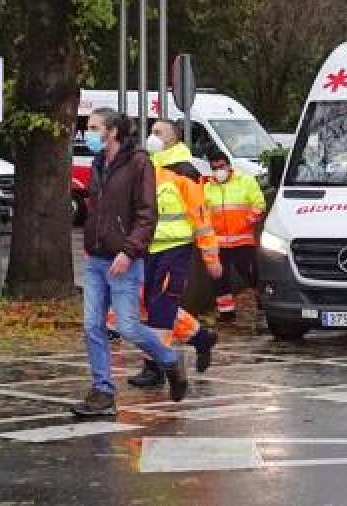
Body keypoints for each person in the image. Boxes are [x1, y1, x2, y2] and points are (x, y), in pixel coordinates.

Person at [76, 108, 188, 416]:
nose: (87, 133)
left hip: (125, 259)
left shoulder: (139, 163)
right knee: (92, 326)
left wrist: (128, 251)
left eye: (93, 127)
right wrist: (91, 241)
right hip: (97, 259)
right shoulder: (99, 162)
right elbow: (97, 209)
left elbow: (146, 214)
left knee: (126, 325)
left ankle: (169, 359)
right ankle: (102, 391)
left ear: (111, 131)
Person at [128, 119, 221, 389]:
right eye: (151, 132)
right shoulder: (148, 167)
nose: (151, 137)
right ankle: (201, 337)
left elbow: (200, 217)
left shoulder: (185, 172)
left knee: (161, 308)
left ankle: (155, 365)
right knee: (152, 305)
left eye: (158, 132)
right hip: (148, 249)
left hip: (175, 249)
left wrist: (211, 258)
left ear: (174, 139)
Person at [202, 149, 266, 322]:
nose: (218, 171)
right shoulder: (207, 188)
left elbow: (259, 204)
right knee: (219, 279)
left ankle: (264, 303)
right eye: (214, 168)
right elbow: (203, 215)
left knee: (251, 275)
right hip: (219, 243)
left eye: (221, 166)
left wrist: (246, 222)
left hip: (242, 240)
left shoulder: (245, 181)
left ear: (228, 165)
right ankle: (226, 312)